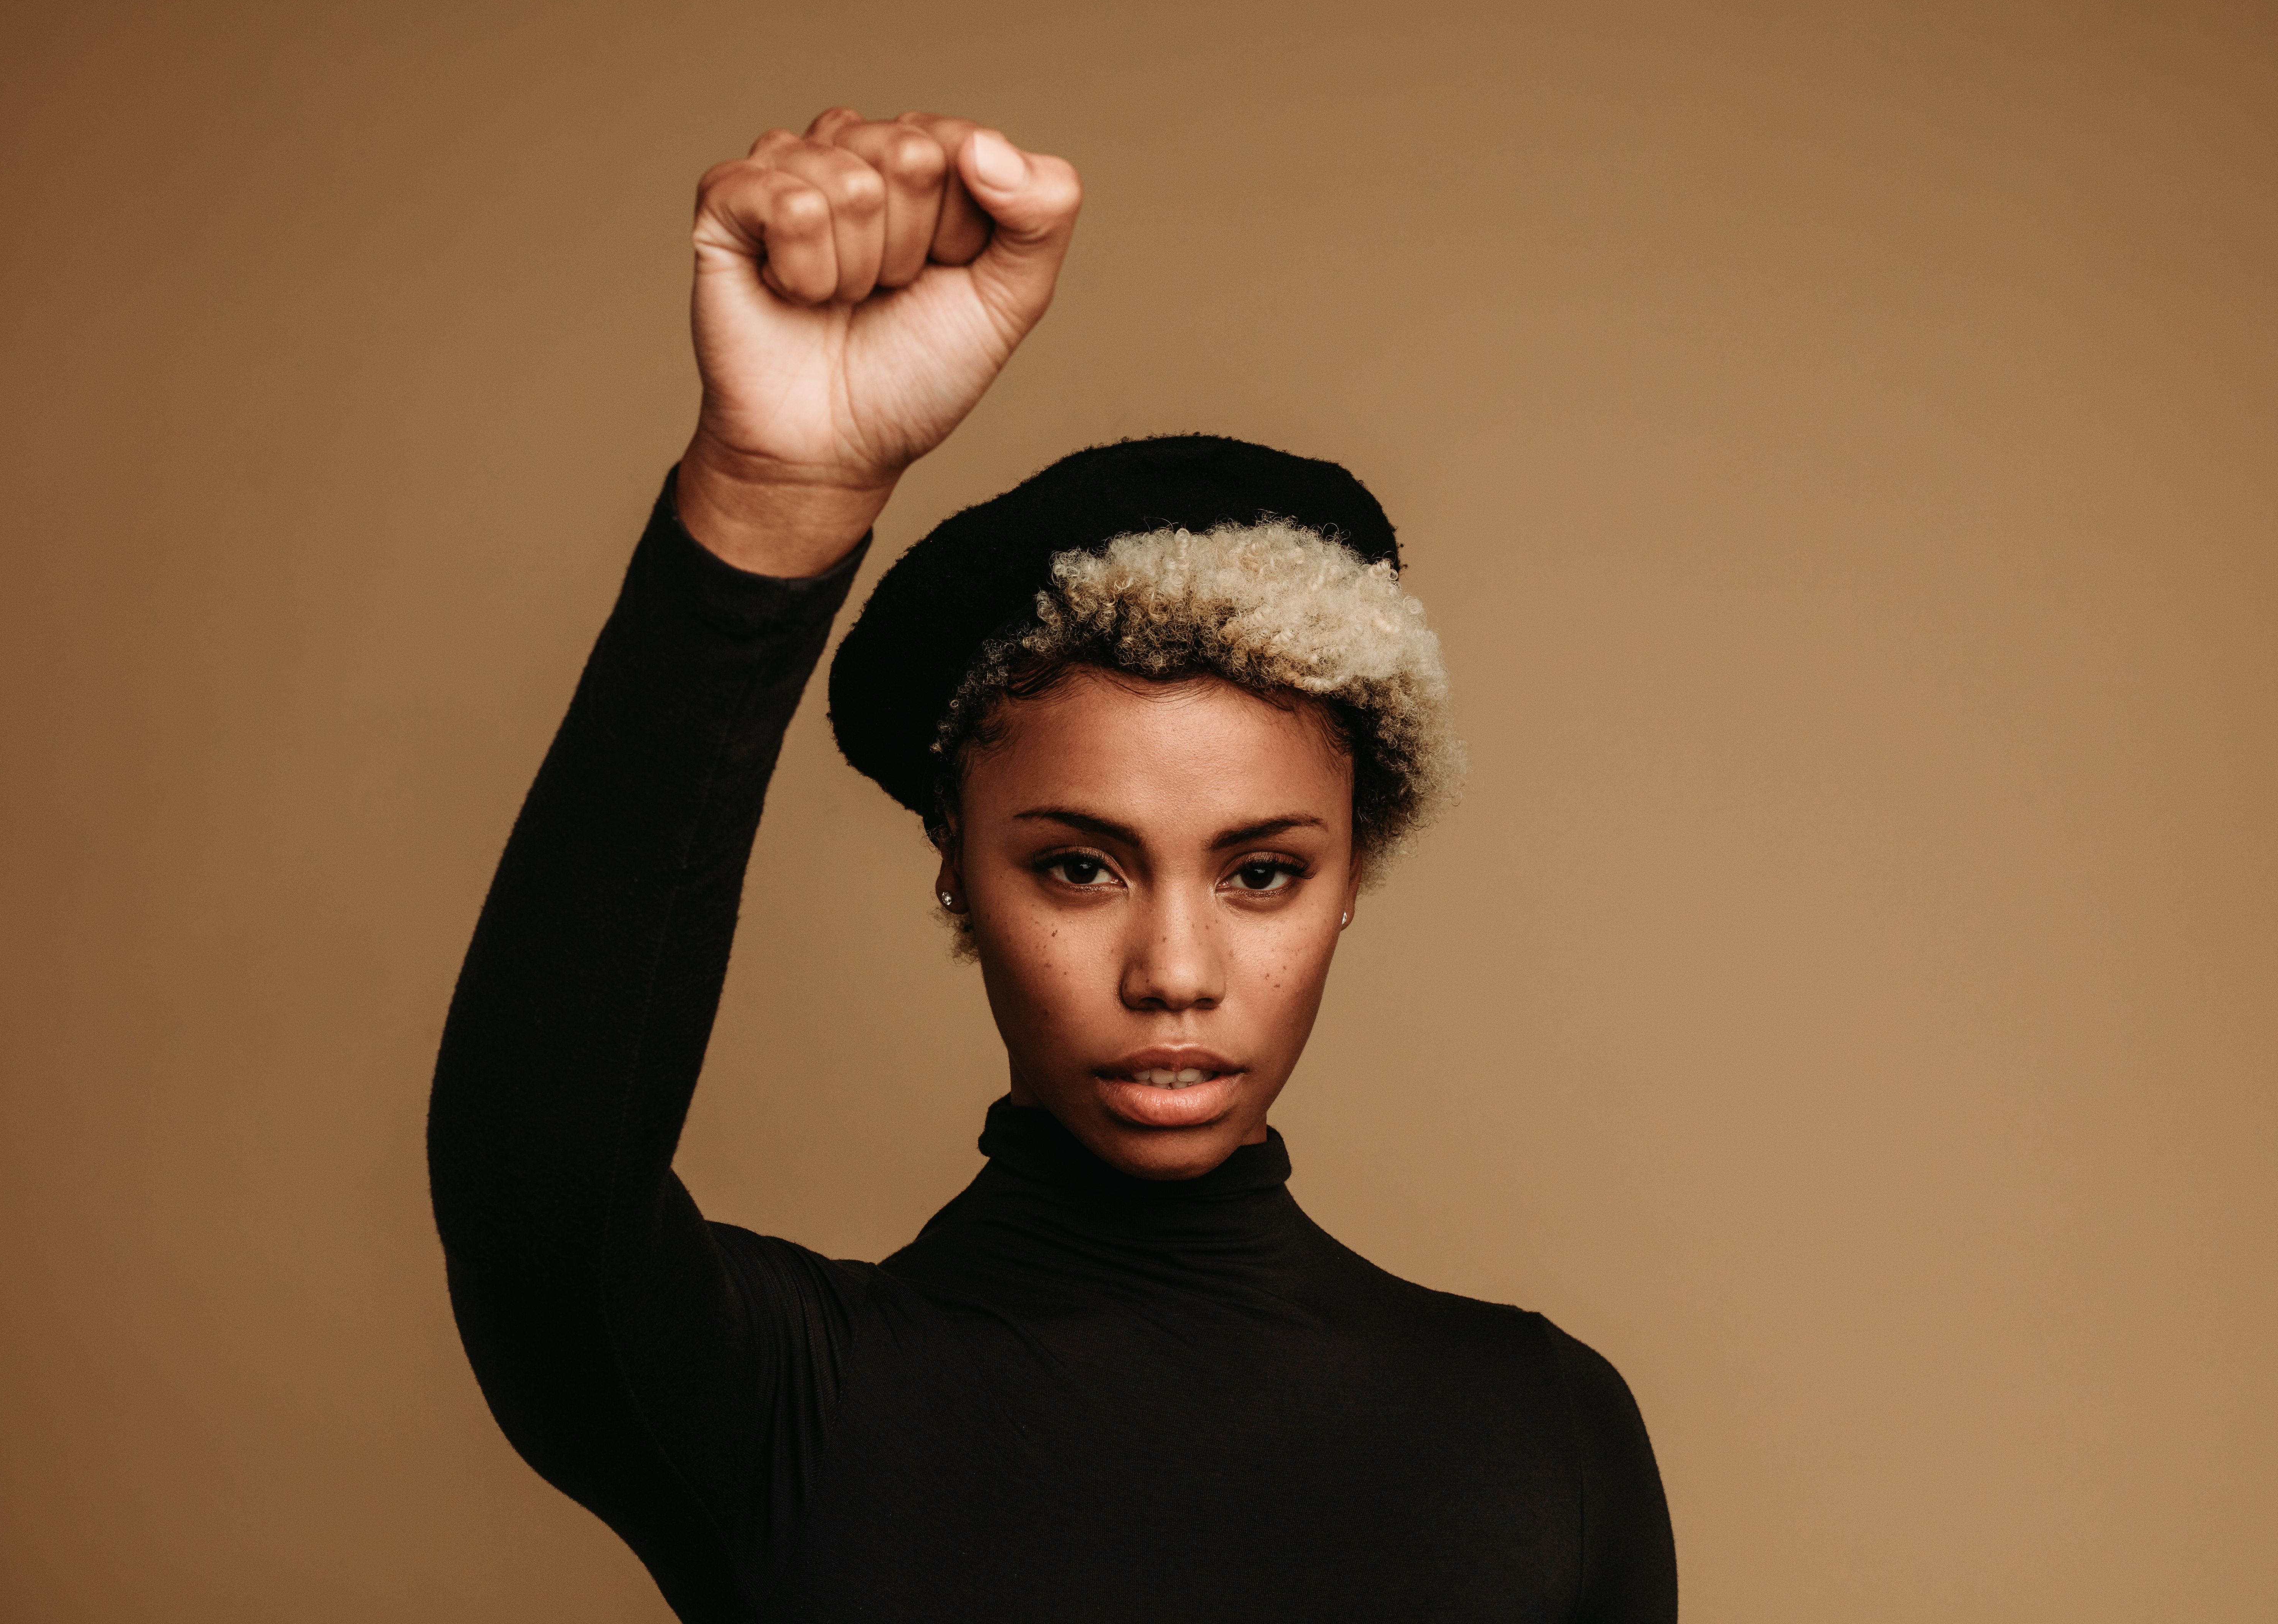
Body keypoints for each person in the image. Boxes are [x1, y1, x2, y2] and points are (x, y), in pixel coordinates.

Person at [429, 107, 1676, 1622]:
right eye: (1081, 869)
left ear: (1358, 870)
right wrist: (770, 502)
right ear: (956, 869)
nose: (1176, 972)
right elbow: (532, 1189)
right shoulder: (794, 1412)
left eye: (1262, 873)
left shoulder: (1545, 1438)